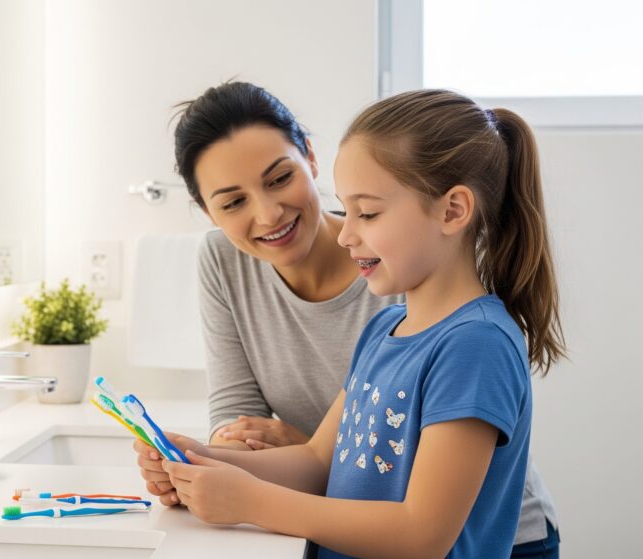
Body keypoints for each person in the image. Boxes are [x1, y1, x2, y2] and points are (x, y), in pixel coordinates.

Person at [136, 84, 562, 557]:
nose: (345, 234)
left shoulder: (475, 345)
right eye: (348, 208)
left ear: (453, 210)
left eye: (368, 213)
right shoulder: (384, 329)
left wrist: (252, 500)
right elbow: (318, 461)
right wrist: (200, 459)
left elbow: (421, 534)